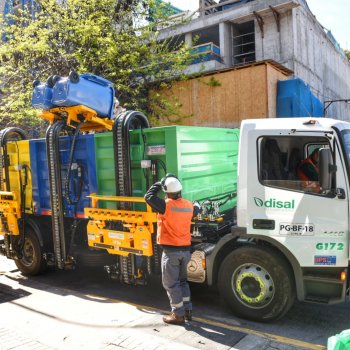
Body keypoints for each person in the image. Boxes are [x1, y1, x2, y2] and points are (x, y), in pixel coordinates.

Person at [144, 174, 199, 325]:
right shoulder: (189, 206)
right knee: (182, 282)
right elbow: (198, 208)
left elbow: (148, 196)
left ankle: (178, 315)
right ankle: (188, 311)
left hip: (171, 253)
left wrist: (159, 182)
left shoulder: (165, 205)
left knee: (171, 284)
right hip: (185, 252)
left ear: (167, 191)